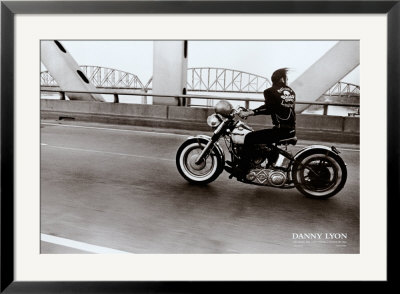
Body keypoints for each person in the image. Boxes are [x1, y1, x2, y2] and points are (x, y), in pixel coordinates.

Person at [238, 67, 296, 167]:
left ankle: (244, 167)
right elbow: (278, 107)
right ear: (282, 79)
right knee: (263, 140)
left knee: (249, 137)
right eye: (286, 78)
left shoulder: (270, 91)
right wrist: (251, 111)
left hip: (280, 131)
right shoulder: (291, 91)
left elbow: (269, 108)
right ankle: (270, 160)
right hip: (290, 129)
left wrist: (249, 113)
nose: (287, 81)